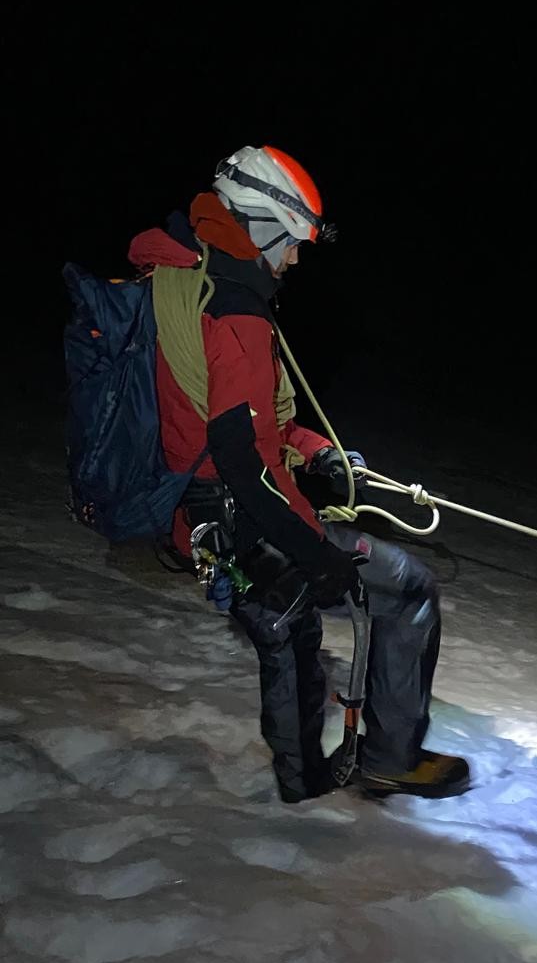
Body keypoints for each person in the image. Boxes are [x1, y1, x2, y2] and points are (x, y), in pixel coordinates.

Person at [128, 144, 469, 803]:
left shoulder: (181, 275)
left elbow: (243, 422)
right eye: (292, 243)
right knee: (405, 589)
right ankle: (373, 766)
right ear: (261, 226)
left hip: (194, 508)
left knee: (289, 628)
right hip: (234, 517)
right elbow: (241, 456)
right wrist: (315, 551)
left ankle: (306, 778)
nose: (294, 258)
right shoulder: (237, 309)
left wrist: (320, 453)